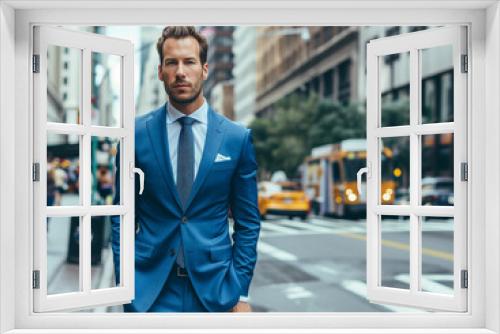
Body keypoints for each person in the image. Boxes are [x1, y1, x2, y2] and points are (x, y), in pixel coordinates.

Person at [111, 26, 260, 313]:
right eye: (172, 62)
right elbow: (122, 216)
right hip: (150, 293)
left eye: (189, 62)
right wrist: (125, 283)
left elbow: (248, 222)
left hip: (215, 291)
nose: (181, 71)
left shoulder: (236, 138)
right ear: (160, 71)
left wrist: (240, 292)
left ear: (204, 69)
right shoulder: (135, 134)